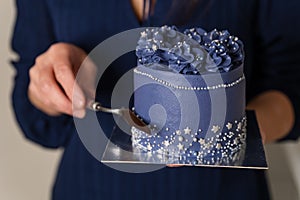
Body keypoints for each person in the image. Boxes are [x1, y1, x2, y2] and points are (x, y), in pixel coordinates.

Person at [11, 0, 300, 199]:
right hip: (88, 186)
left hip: (220, 191)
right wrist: (50, 85)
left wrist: (227, 131)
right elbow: (34, 116)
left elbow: (290, 84)